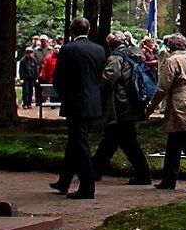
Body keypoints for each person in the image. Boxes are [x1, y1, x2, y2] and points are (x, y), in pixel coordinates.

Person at [50, 16, 106, 199]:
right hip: (93, 102)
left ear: (71, 31)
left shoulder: (67, 49)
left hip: (76, 102)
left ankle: (87, 187)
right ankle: (64, 180)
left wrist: (66, 96)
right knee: (75, 142)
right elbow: (99, 76)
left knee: (80, 144)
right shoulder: (99, 50)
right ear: (88, 31)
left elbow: (58, 79)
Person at [146, 32, 186, 190]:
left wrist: (149, 108)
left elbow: (162, 88)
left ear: (170, 46)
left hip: (180, 104)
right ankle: (169, 179)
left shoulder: (172, 61)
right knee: (174, 141)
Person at [91, 31, 152, 186]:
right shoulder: (135, 53)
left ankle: (143, 174)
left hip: (120, 103)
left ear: (111, 44)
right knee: (117, 139)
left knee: (121, 139)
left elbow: (108, 80)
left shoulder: (116, 58)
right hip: (132, 101)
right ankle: (95, 170)